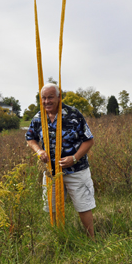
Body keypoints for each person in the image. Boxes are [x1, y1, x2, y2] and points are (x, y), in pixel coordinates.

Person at [25, 83, 95, 238]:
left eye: (50, 97)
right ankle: (59, 238)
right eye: (43, 98)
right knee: (52, 207)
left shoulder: (73, 114)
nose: (47, 101)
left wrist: (74, 158)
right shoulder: (39, 117)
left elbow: (89, 140)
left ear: (59, 97)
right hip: (52, 172)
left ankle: (92, 240)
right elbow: (30, 138)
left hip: (76, 169)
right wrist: (39, 151)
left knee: (83, 205)